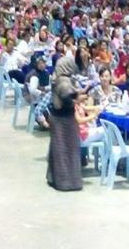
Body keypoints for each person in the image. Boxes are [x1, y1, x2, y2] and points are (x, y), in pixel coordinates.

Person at [47, 57, 83, 191]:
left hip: (57, 118)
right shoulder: (64, 82)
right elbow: (67, 99)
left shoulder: (57, 78)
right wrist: (78, 100)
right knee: (67, 150)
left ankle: (54, 178)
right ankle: (67, 182)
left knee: (57, 149)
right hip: (65, 120)